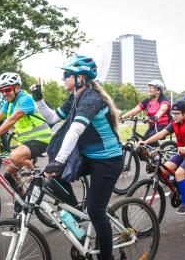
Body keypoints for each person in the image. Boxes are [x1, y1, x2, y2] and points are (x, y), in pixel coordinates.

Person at [31, 55, 123, 260]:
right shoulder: (74, 97)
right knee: (53, 179)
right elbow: (52, 118)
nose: (63, 78)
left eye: (66, 75)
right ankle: (74, 210)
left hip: (108, 161)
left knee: (96, 212)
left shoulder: (91, 99)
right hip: (90, 157)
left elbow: (74, 131)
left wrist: (58, 161)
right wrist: (38, 98)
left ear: (80, 77)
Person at [0, 72, 52, 190]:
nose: (4, 94)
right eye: (2, 91)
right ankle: (24, 198)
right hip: (26, 142)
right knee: (9, 173)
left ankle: (40, 178)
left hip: (41, 138)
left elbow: (11, 120)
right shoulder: (9, 103)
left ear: (17, 88)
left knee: (15, 156)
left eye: (7, 90)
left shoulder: (26, 99)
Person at [139, 100, 185, 214]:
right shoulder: (174, 122)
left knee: (179, 173)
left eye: (176, 113)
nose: (173, 116)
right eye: (172, 113)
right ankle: (179, 187)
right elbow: (161, 134)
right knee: (163, 171)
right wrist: (146, 142)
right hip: (182, 153)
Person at [121, 79, 171, 146]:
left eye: (152, 87)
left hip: (163, 125)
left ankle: (158, 155)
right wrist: (122, 117)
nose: (149, 89)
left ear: (158, 90)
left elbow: (162, 109)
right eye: (149, 87)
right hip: (152, 126)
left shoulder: (163, 100)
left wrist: (156, 116)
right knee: (143, 143)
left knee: (150, 138)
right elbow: (135, 110)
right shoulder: (147, 101)